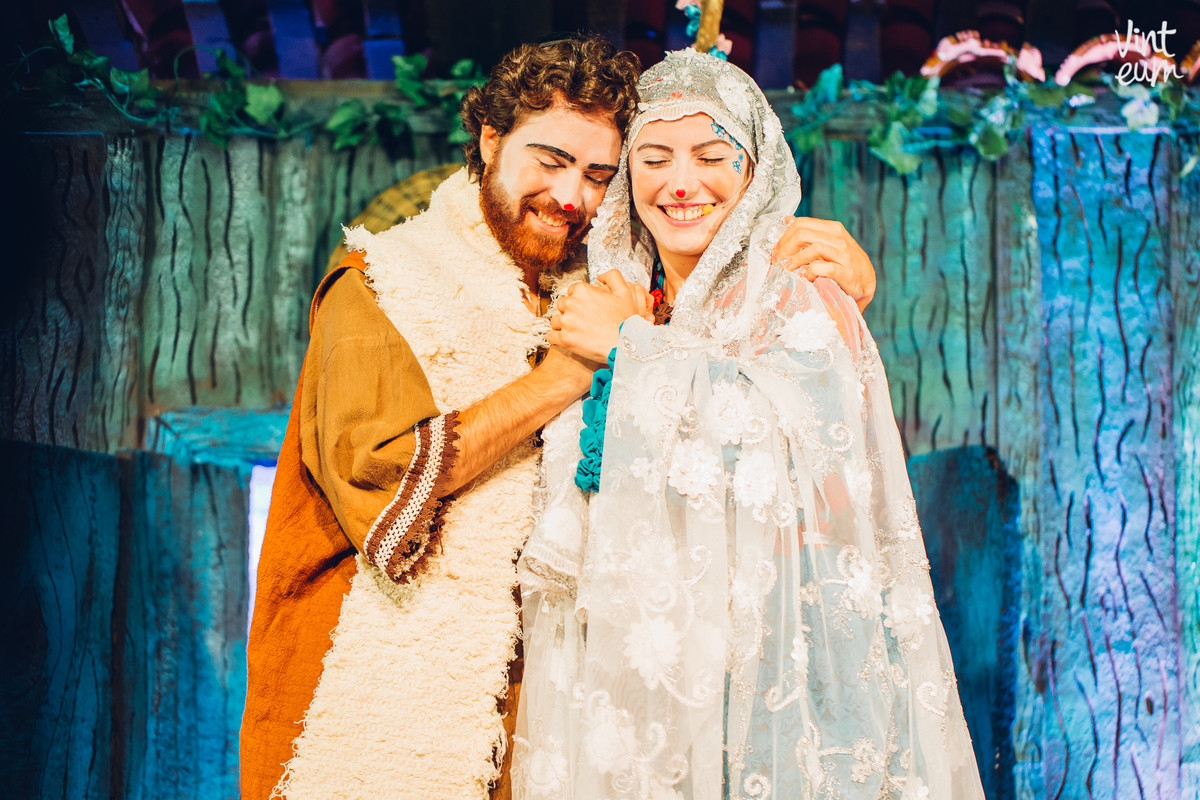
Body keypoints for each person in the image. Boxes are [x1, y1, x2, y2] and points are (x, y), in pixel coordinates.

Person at [240, 37, 879, 800]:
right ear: (490, 140)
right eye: (549, 160)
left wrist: (841, 284)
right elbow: (381, 478)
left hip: (559, 715)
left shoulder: (606, 284)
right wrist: (566, 375)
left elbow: (729, 386)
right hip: (388, 701)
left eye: (599, 175)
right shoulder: (384, 285)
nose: (570, 196)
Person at [513, 49, 985, 799]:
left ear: (755, 170)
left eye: (710, 157)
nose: (681, 184)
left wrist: (631, 352)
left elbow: (827, 493)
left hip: (760, 679)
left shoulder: (797, 295)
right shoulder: (605, 292)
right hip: (625, 675)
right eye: (655, 159)